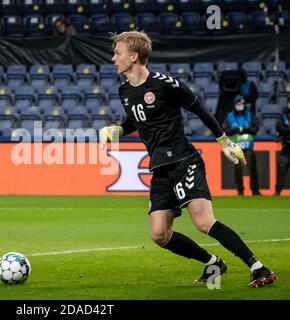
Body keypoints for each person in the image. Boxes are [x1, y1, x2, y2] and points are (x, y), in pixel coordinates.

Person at [99, 31, 276, 288]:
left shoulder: (165, 84)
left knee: (203, 222)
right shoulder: (124, 90)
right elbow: (133, 121)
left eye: (118, 52)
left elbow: (199, 109)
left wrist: (224, 142)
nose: (114, 57)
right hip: (160, 168)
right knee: (159, 234)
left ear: (134, 56)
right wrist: (116, 131)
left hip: (184, 160)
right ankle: (212, 262)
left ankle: (258, 267)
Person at [224, 95, 261, 195]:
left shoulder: (249, 115)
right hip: (236, 148)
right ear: (235, 104)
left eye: (242, 104)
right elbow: (225, 131)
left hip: (248, 147)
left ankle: (255, 190)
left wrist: (244, 130)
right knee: (238, 171)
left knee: (253, 169)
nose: (240, 105)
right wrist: (233, 130)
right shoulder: (229, 116)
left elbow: (255, 129)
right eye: (238, 104)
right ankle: (240, 191)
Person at [275, 98, 290, 196]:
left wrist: (287, 128)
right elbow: (279, 127)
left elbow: (284, 128)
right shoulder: (283, 114)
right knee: (282, 170)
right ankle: (277, 192)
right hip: (287, 147)